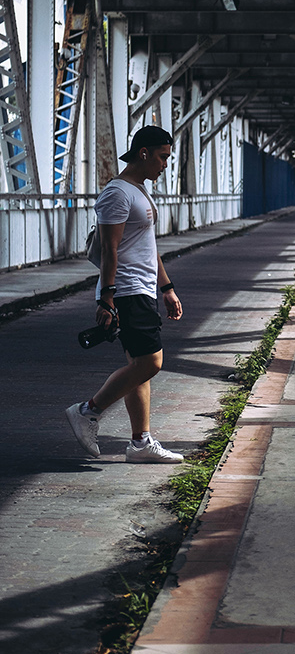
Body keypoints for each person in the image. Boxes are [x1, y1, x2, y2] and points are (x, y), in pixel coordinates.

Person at [65, 125, 185, 463]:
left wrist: (167, 288)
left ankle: (140, 443)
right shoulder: (117, 193)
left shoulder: (140, 190)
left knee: (139, 367)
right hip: (127, 290)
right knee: (151, 362)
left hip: (144, 288)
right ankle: (88, 410)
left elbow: (148, 247)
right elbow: (110, 251)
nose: (165, 164)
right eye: (162, 157)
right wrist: (108, 298)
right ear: (143, 153)